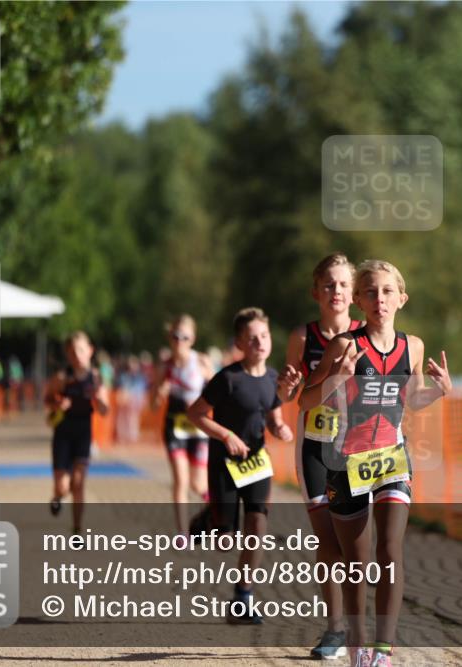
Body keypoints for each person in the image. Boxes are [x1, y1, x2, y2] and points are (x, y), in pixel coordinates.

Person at [300, 260, 451, 667]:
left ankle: (383, 651)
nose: (379, 299)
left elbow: (412, 399)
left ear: (402, 298)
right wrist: (336, 377)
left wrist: (438, 391)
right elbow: (305, 401)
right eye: (370, 292)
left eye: (387, 292)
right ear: (359, 300)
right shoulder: (344, 345)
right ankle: (358, 647)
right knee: (356, 562)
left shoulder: (413, 346)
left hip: (392, 457)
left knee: (390, 550)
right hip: (346, 461)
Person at [276, 253, 362, 660]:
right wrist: (286, 387)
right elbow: (288, 394)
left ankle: (361, 623)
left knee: (356, 543)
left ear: (354, 292)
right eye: (329, 284)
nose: (336, 291)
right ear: (316, 292)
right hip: (314, 444)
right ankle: (335, 628)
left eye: (343, 284)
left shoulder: (366, 333)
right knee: (327, 539)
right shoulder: (302, 336)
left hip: (358, 447)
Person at [187, 307, 293, 625]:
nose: (260, 342)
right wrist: (226, 435)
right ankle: (208, 519)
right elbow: (195, 414)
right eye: (252, 338)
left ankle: (243, 597)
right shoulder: (227, 379)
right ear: (239, 343)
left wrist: (279, 428)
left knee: (257, 525)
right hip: (224, 464)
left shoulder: (273, 378)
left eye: (264, 336)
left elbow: (272, 417)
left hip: (256, 463)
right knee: (225, 541)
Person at [154, 314, 214, 540]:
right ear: (170, 337)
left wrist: (201, 403)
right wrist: (160, 393)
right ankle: (183, 533)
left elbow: (219, 393)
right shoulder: (165, 366)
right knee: (180, 480)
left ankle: (217, 512)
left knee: (198, 484)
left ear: (193, 339)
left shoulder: (201, 362)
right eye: (176, 336)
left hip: (198, 427)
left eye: (185, 337)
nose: (180, 341)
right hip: (174, 427)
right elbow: (152, 404)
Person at [44, 332, 110, 534]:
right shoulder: (62, 377)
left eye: (81, 350)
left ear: (90, 351)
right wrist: (57, 403)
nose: (77, 355)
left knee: (79, 484)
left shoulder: (96, 378)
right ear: (67, 354)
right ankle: (57, 497)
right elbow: (47, 399)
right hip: (63, 434)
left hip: (83, 433)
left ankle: (77, 529)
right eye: (72, 352)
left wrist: (98, 400)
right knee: (63, 487)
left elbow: (105, 411)